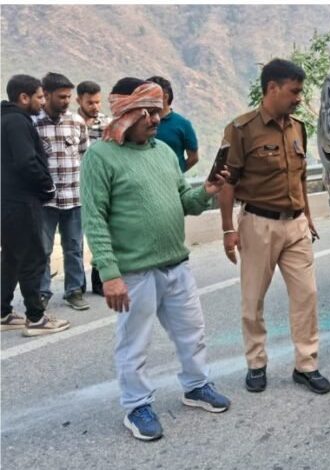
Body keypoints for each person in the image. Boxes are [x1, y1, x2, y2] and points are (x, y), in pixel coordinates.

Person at [81, 77, 231, 441]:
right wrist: (110, 274)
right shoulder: (100, 156)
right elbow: (94, 218)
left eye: (157, 111)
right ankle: (137, 406)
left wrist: (207, 191)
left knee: (191, 332)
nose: (155, 119)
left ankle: (196, 386)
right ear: (125, 114)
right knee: (134, 343)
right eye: (146, 112)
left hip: (176, 264)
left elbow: (184, 201)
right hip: (133, 272)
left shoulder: (163, 152)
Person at [219, 58, 330, 395]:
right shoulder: (241, 129)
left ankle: (306, 365)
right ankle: (256, 363)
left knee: (307, 296)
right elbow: (227, 182)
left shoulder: (298, 128)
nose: (298, 98)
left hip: (296, 224)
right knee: (253, 299)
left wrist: (307, 216)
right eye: (294, 91)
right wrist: (228, 230)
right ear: (272, 88)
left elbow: (299, 177)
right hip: (258, 224)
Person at [1, 74, 71, 336]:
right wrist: (47, 186)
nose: (42, 102)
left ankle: (3, 312)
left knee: (11, 257)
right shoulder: (18, 122)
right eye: (39, 97)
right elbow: (26, 161)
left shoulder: (4, 119)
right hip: (22, 201)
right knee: (33, 256)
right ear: (24, 97)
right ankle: (36, 318)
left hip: (6, 201)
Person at [34, 72, 90, 311]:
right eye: (61, 97)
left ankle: (74, 291)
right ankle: (42, 293)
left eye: (68, 97)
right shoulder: (33, 123)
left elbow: (85, 154)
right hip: (44, 201)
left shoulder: (76, 121)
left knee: (74, 248)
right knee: (42, 250)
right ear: (46, 95)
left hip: (74, 198)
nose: (66, 101)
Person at [76, 80, 112, 297]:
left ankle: (100, 281)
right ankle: (76, 286)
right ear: (79, 100)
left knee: (102, 234)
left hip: (101, 186)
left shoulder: (107, 124)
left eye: (98, 102)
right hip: (76, 188)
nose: (95, 107)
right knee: (75, 241)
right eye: (90, 102)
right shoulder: (71, 123)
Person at [145, 76, 199, 173]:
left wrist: (176, 174)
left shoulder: (183, 124)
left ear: (165, 97)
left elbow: (193, 158)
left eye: (151, 94)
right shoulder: (141, 122)